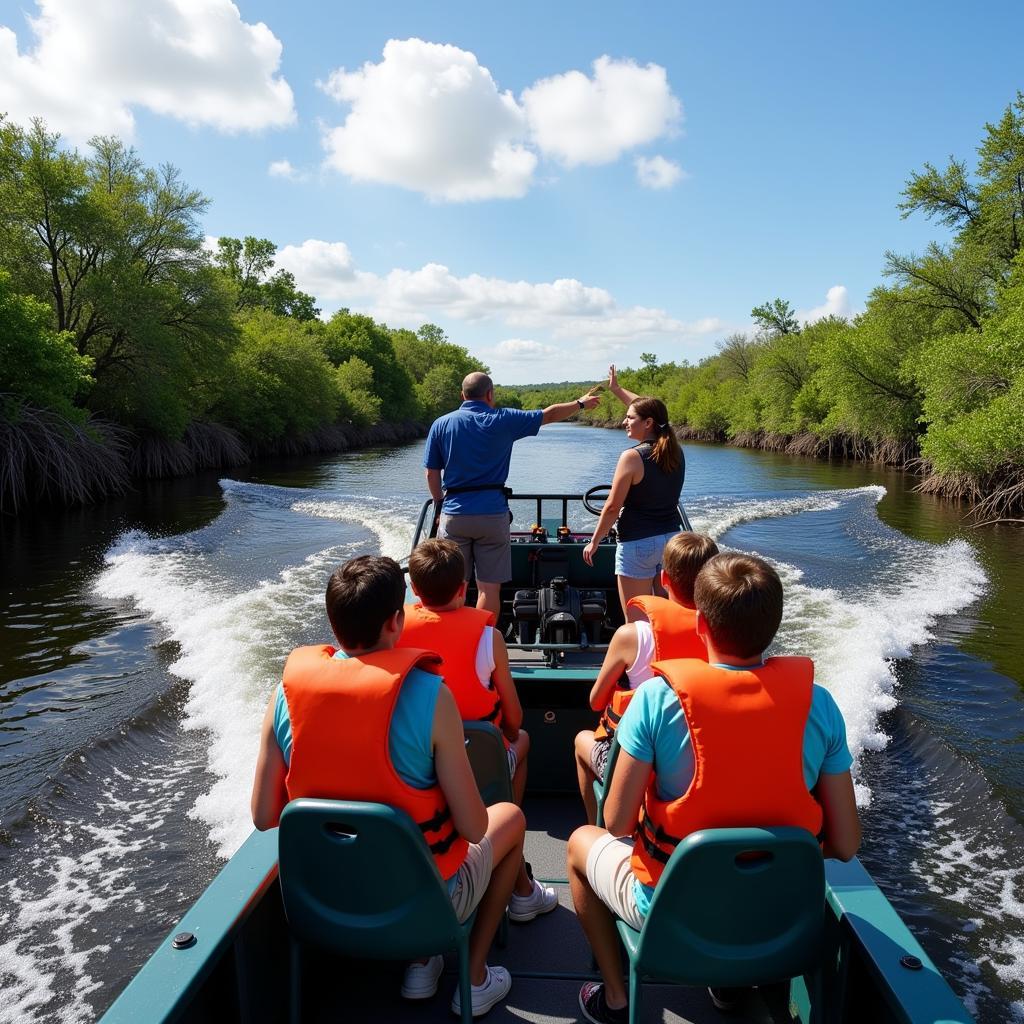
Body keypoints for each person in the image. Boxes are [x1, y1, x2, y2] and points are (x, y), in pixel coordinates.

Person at [566, 552, 862, 1024]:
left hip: (672, 913)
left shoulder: (655, 701)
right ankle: (728, 987)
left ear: (701, 624)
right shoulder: (820, 705)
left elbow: (617, 823)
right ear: (774, 625)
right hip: (779, 915)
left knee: (583, 845)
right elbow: (846, 843)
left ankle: (617, 1000)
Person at [250, 555, 525, 1017]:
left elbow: (262, 817)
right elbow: (475, 828)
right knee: (509, 820)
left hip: (322, 899)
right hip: (424, 902)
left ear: (333, 623)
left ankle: (422, 962)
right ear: (396, 622)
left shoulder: (284, 696)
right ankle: (473, 977)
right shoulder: (431, 697)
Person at [398, 538, 558, 922]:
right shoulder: (490, 638)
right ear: (464, 587)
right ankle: (511, 843)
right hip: (479, 760)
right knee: (522, 740)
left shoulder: (395, 635)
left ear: (414, 590)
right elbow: (514, 719)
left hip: (415, 766)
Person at [425, 371, 601, 617]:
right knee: (488, 590)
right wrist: (580, 403)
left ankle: (458, 640)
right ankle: (483, 642)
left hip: (455, 513)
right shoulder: (504, 419)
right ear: (490, 394)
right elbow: (549, 414)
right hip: (492, 514)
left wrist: (439, 505)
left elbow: (432, 474)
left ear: (462, 395)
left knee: (455, 587)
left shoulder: (441, 424)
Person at [574, 532, 719, 824]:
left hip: (635, 760)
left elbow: (595, 701)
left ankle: (597, 830)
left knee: (582, 741)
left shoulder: (633, 636)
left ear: (663, 579)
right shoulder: (724, 634)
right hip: (702, 756)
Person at [582, 366, 684, 621]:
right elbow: (651, 410)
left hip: (638, 543)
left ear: (648, 423)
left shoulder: (632, 457)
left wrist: (594, 541)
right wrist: (616, 389)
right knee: (664, 618)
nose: (624, 422)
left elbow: (613, 507)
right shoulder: (675, 450)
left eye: (629, 418)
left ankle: (638, 661)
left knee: (636, 620)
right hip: (671, 541)